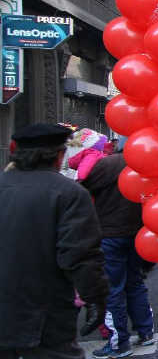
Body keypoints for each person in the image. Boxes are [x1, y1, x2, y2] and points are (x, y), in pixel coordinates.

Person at [0, 124, 108, 359]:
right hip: (45, 313)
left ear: (14, 150)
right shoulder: (69, 193)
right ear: (60, 156)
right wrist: (96, 299)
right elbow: (80, 256)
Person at [82, 144, 155, 358]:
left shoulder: (106, 164)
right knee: (135, 283)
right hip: (136, 233)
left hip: (110, 234)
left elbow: (86, 187)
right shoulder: (144, 166)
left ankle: (119, 342)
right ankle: (146, 331)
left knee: (113, 288)